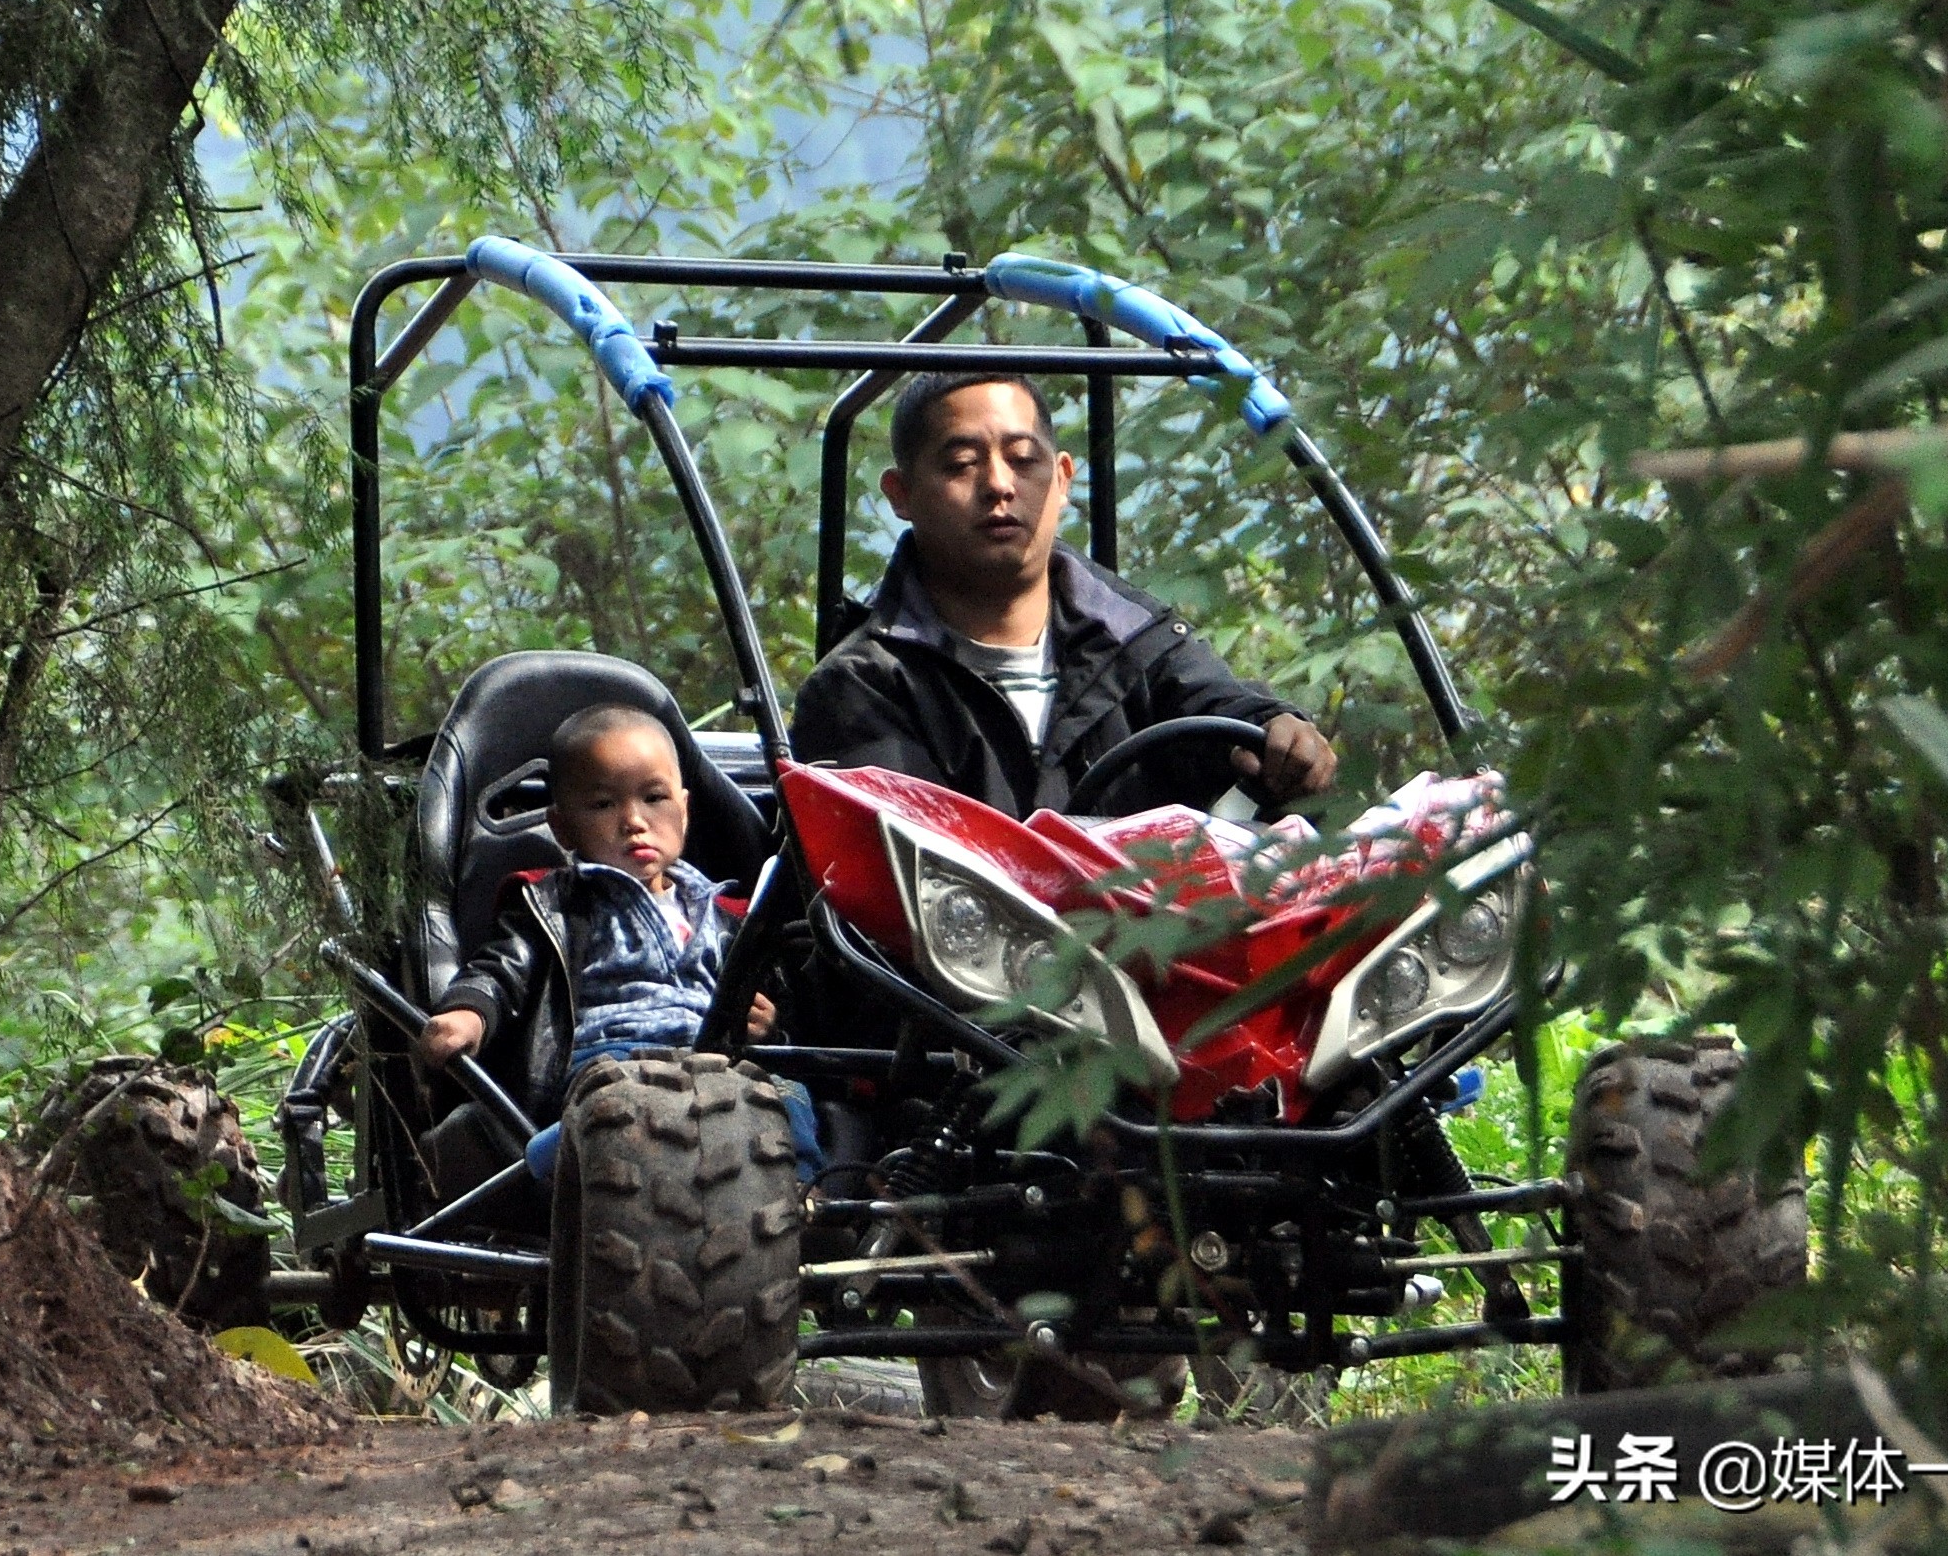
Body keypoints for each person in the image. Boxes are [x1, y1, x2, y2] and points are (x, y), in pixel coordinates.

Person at [791, 371, 1338, 817]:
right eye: (962, 464)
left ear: (1062, 478)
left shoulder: (1135, 640)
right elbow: (911, 883)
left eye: (1023, 459)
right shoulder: (863, 687)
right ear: (901, 494)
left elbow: (1216, 705)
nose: (1000, 485)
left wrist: (1277, 731)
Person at [414, 702, 818, 1178]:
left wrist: (769, 1024)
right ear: (562, 827)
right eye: (604, 804)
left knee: (789, 1098)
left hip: (719, 1067)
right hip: (614, 1063)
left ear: (684, 811)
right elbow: (503, 969)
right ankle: (552, 1164)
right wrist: (469, 1011)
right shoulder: (558, 903)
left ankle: (802, 1197)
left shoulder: (729, 915)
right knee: (614, 1113)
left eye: (653, 798)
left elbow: (781, 1006)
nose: (634, 820)